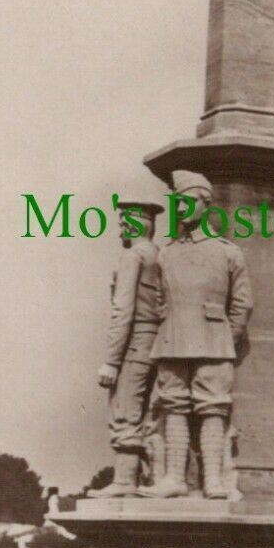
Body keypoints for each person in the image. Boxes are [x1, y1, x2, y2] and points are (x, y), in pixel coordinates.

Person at [143, 169, 253, 499]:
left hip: (213, 342)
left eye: (188, 202)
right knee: (173, 404)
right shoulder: (166, 253)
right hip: (172, 340)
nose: (181, 209)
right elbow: (158, 300)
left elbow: (243, 304)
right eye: (177, 203)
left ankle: (214, 482)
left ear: (206, 203)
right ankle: (174, 478)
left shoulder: (228, 252)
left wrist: (224, 338)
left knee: (213, 407)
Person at [95, 192, 164, 497]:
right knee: (145, 409)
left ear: (138, 224)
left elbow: (123, 310)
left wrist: (111, 359)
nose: (120, 228)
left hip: (135, 341)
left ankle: (126, 481)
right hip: (155, 341)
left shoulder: (133, 257)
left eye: (124, 222)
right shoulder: (159, 255)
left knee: (126, 408)